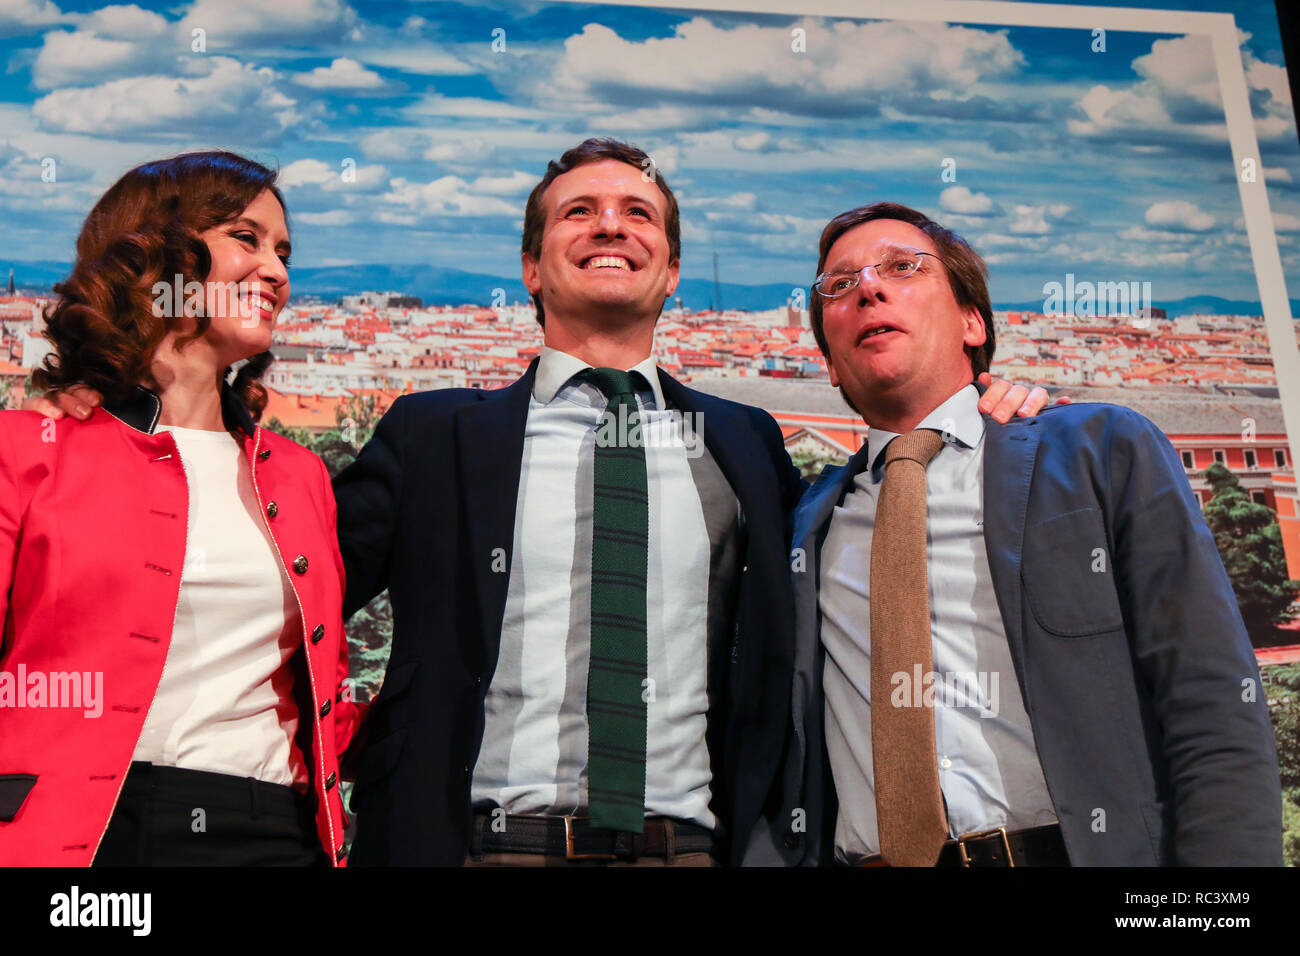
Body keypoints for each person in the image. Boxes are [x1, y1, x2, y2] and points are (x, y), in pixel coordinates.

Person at [33, 141, 1049, 867]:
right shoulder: (435, 434)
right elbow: (279, 589)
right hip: (470, 841)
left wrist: (978, 405)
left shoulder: (745, 444)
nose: (610, 223)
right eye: (578, 212)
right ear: (530, 268)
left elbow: (829, 613)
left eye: (637, 213)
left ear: (672, 271)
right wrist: (115, 411)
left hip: (687, 848)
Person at [747, 201, 1283, 866]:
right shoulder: (807, 522)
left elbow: (1211, 700)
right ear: (827, 362)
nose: (868, 288)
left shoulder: (1099, 450)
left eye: (903, 268)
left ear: (973, 322)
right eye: (839, 285)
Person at [0, 151, 363, 866]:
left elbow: (325, 691)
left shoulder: (299, 476)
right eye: (246, 238)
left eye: (284, 251)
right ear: (154, 256)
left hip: (272, 832)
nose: (278, 271)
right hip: (80, 829)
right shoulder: (29, 448)